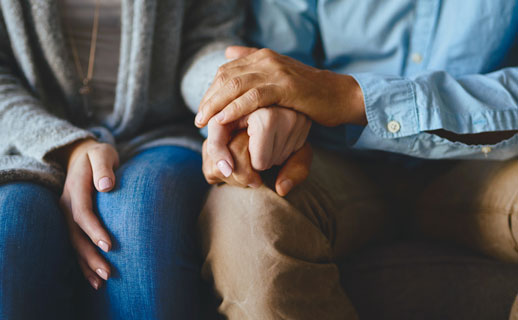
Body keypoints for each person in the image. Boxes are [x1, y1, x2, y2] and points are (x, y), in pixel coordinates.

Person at [188, 1, 518, 319]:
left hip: (483, 163)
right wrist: (260, 119)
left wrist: (352, 97)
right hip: (330, 160)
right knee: (248, 216)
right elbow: (274, 66)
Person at [0, 0, 244, 318]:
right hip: (28, 139)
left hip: (158, 132)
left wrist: (226, 96)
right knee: (12, 221)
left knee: (139, 219)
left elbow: (207, 44)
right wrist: (68, 145)